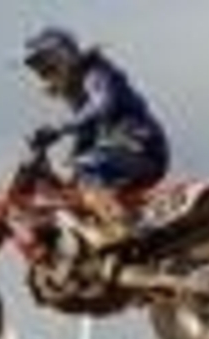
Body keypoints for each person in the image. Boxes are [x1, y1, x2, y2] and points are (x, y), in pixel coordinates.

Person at [22, 26, 170, 254]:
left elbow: (103, 105)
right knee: (74, 184)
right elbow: (87, 135)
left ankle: (124, 227)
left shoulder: (96, 71)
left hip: (139, 145)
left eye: (45, 66)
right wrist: (66, 165)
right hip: (123, 152)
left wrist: (60, 129)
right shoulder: (78, 93)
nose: (44, 74)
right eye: (39, 70)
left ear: (61, 56)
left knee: (87, 167)